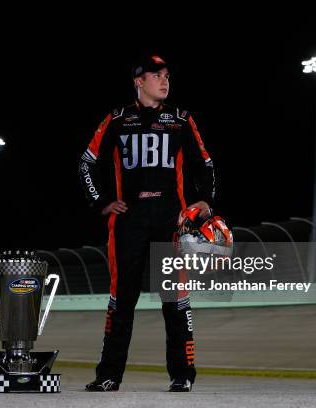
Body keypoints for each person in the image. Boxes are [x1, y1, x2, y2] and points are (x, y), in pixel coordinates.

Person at [78, 55, 216, 392]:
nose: (164, 81)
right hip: (128, 222)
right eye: (157, 75)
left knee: (175, 299)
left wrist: (206, 202)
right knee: (121, 300)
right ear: (139, 81)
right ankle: (108, 375)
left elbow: (206, 164)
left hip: (172, 221)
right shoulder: (116, 119)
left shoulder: (181, 119)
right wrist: (101, 203)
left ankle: (182, 375)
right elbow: (87, 164)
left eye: (167, 75)